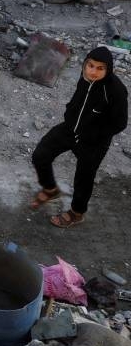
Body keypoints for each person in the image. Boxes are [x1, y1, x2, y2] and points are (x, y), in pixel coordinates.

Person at [30, 46, 128, 228]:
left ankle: (76, 213)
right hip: (71, 129)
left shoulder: (116, 91)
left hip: (94, 141)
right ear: (85, 65)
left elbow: (119, 123)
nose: (94, 72)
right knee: (41, 154)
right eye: (90, 66)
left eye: (100, 68)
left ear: (108, 70)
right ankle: (51, 189)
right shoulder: (84, 78)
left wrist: (94, 135)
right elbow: (78, 100)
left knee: (84, 178)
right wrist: (70, 114)